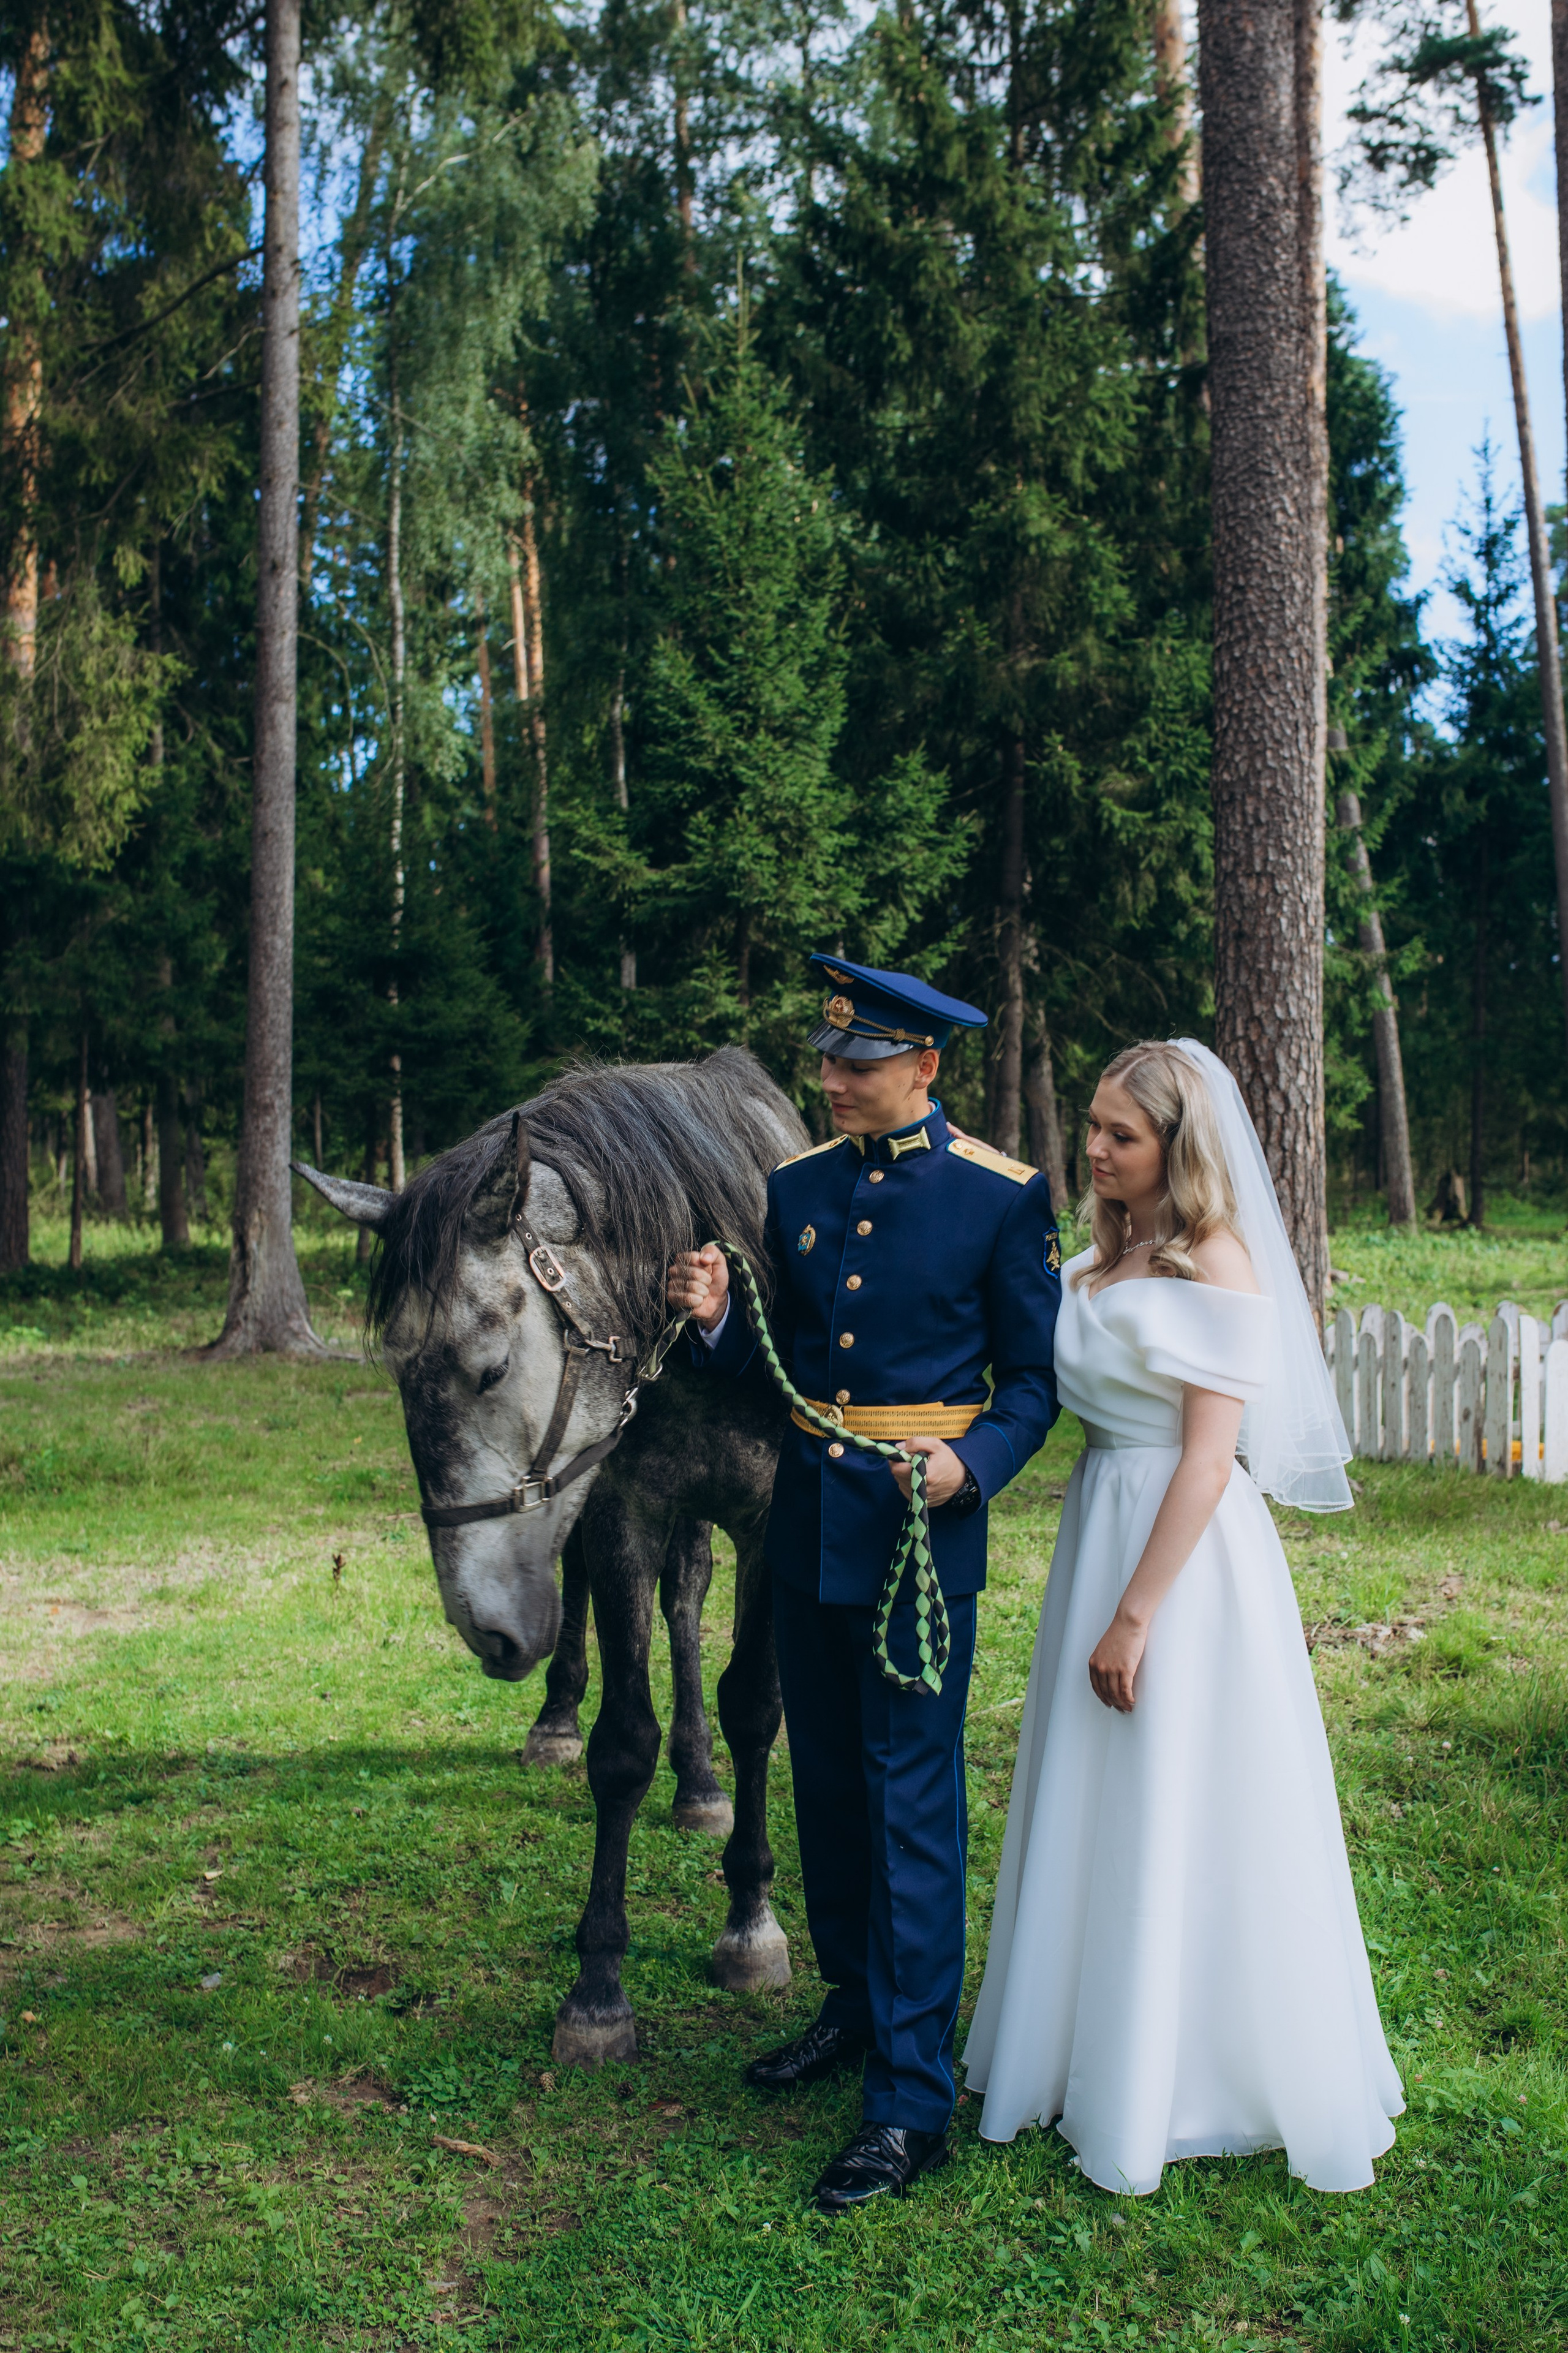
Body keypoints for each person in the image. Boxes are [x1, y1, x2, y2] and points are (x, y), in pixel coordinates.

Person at [962, 1038, 1403, 2196]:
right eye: (1095, 1128)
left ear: (1178, 1146)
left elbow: (1211, 1464)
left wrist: (1136, 1614)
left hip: (1182, 1557)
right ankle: (1077, 2041)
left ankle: (1194, 2069)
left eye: (1123, 1135)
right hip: (1100, 1515)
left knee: (1183, 1788)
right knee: (1096, 1789)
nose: (1096, 1150)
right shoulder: (1098, 1257)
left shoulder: (1218, 1264)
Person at [667, 953, 1060, 2215]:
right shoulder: (793, 1191)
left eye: (860, 1060)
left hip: (914, 1541)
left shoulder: (1000, 1197)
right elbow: (769, 1367)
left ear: (925, 1066)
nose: (832, 1077)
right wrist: (725, 1313)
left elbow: (1034, 1385)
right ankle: (851, 2007)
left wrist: (970, 1466)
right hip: (807, 1531)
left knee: (908, 1809)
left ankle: (907, 2096)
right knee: (827, 1786)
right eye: (829, 1057)